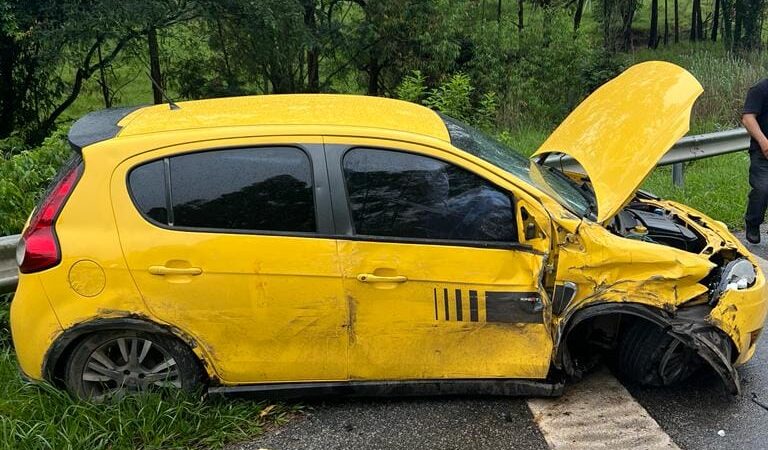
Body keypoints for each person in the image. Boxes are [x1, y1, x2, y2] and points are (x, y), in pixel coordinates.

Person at [742, 79, 768, 244]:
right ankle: (753, 222)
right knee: (763, 189)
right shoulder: (760, 89)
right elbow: (748, 118)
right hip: (762, 152)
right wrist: (764, 142)